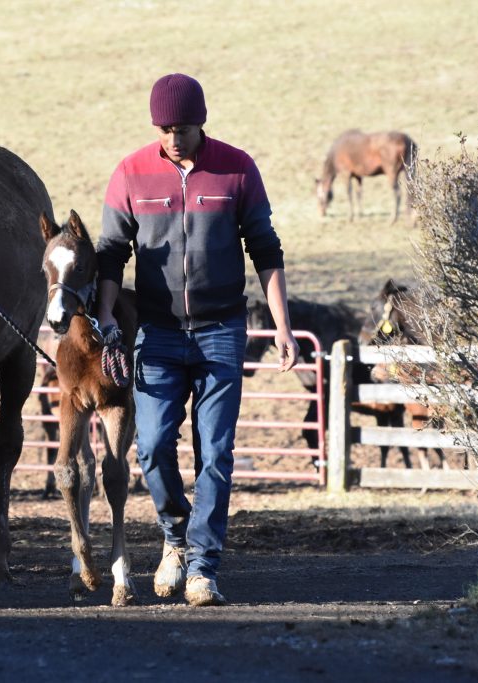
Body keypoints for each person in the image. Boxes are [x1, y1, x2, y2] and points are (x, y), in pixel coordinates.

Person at [95, 73, 299, 606]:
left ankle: (204, 566)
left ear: (200, 122)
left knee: (216, 453)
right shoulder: (131, 173)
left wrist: (281, 326)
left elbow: (266, 250)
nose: (173, 137)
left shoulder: (236, 168)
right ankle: (174, 538)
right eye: (164, 128)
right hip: (157, 334)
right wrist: (106, 318)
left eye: (181, 127)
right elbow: (111, 255)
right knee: (154, 447)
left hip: (221, 333)